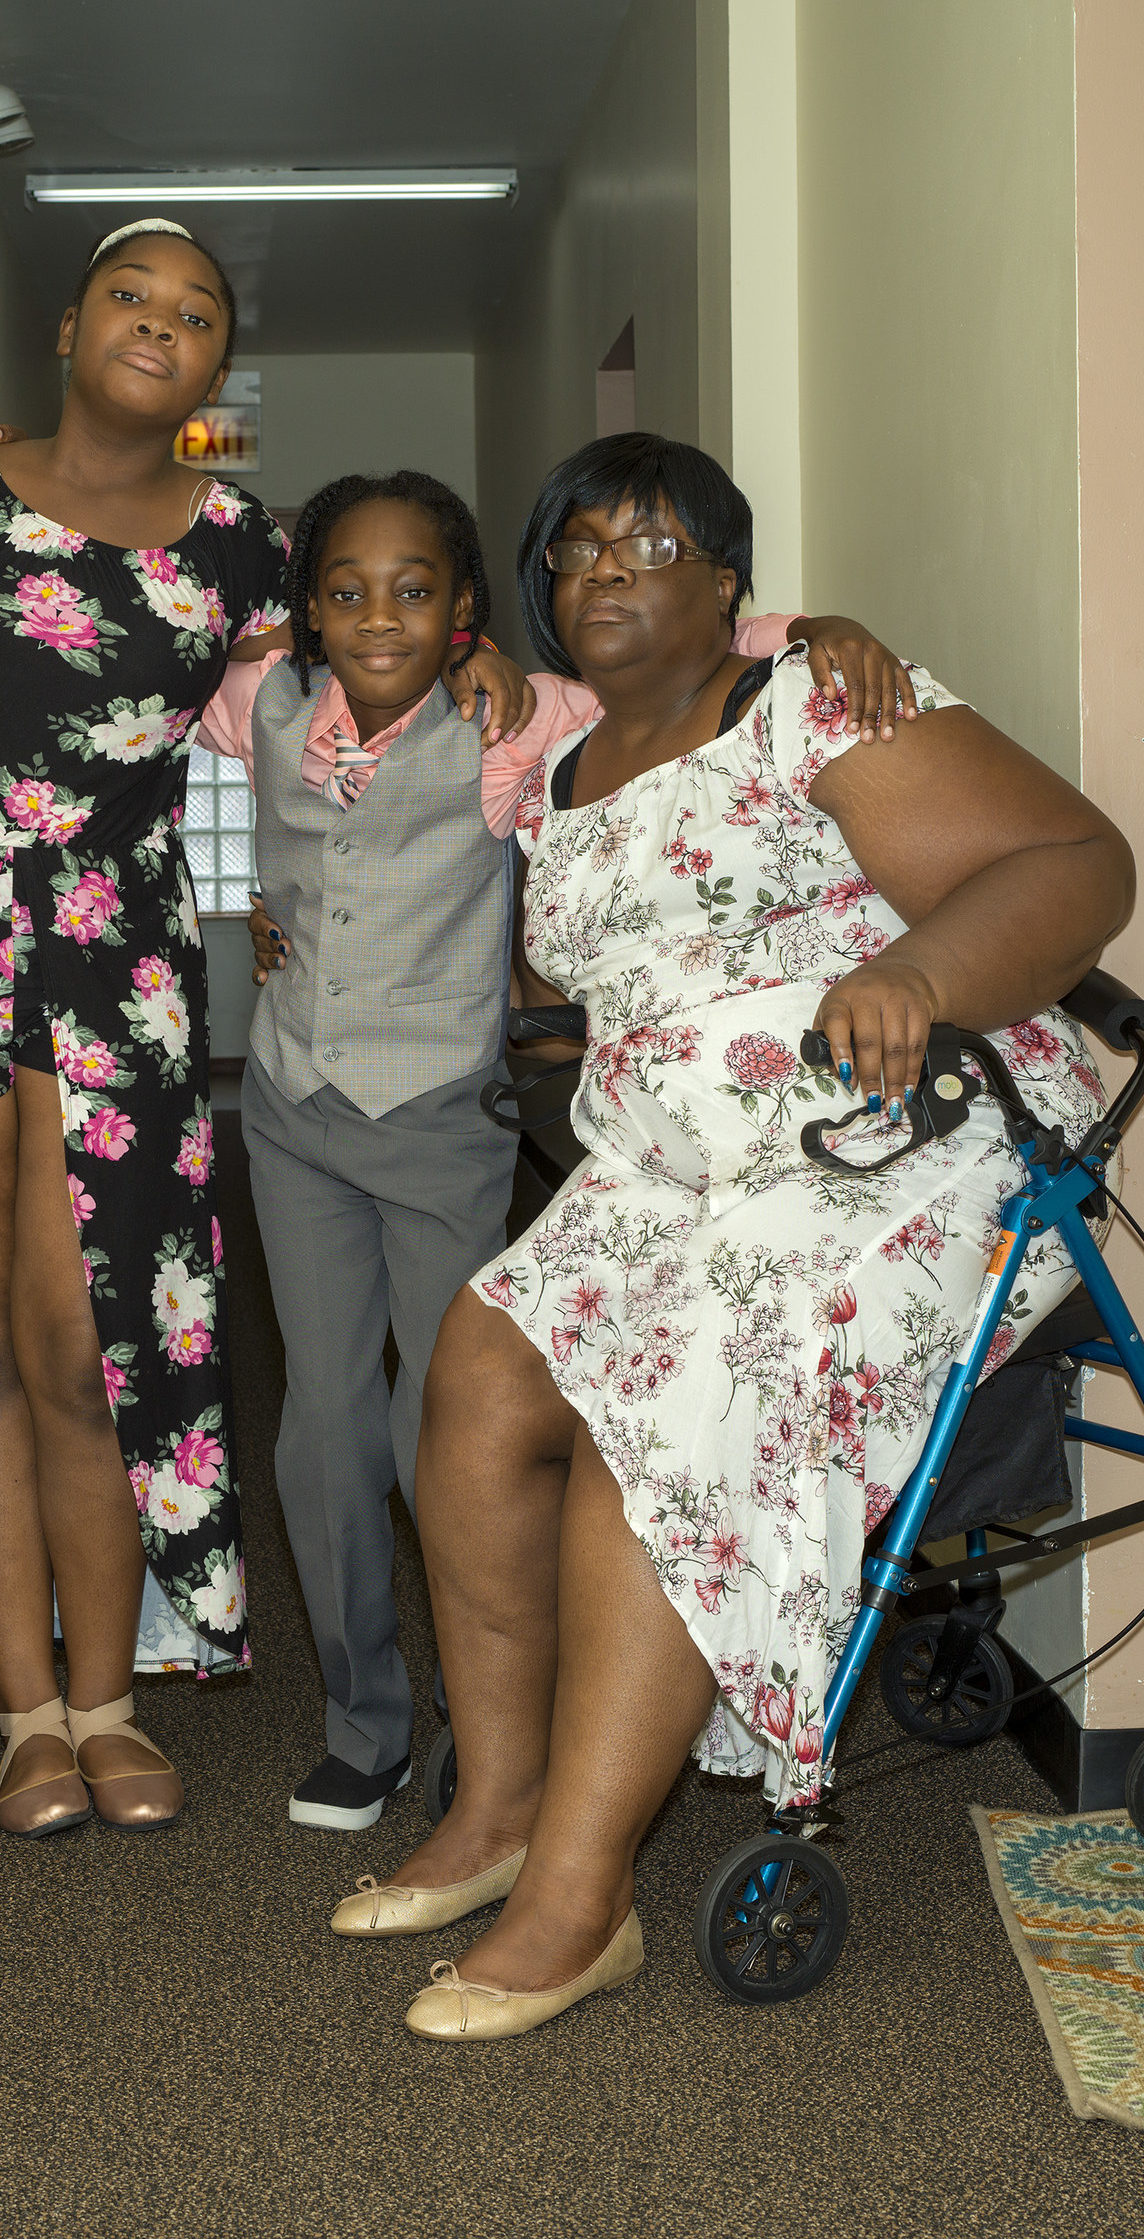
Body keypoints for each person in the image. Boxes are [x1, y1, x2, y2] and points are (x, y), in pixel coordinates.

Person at [340, 434, 1135, 2037]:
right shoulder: (556, 764)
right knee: (482, 1363)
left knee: (664, 1389)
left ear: (729, 584)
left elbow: (1080, 862)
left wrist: (921, 977)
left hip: (890, 1139)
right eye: (578, 549)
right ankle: (498, 1808)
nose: (610, 569)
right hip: (675, 1164)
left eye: (656, 542)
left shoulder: (815, 697)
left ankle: (584, 1894)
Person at [0, 221, 531, 1834]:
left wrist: (491, 659)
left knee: (89, 1343)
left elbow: (378, 639)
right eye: (133, 296)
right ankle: (19, 1714)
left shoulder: (243, 550)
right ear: (70, 322)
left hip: (116, 959)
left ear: (218, 370)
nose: (162, 325)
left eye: (197, 314)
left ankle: (108, 1698)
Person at [201, 471, 920, 1833]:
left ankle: (495, 1727)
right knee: (321, 1428)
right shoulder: (265, 703)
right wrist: (241, 900)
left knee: (446, 1431)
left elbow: (692, 646)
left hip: (437, 1117)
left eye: (417, 591)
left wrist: (827, 631)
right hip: (292, 1110)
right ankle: (364, 1717)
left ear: (466, 609)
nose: (377, 617)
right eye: (344, 590)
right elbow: (130, 692)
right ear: (306, 609)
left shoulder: (520, 716)